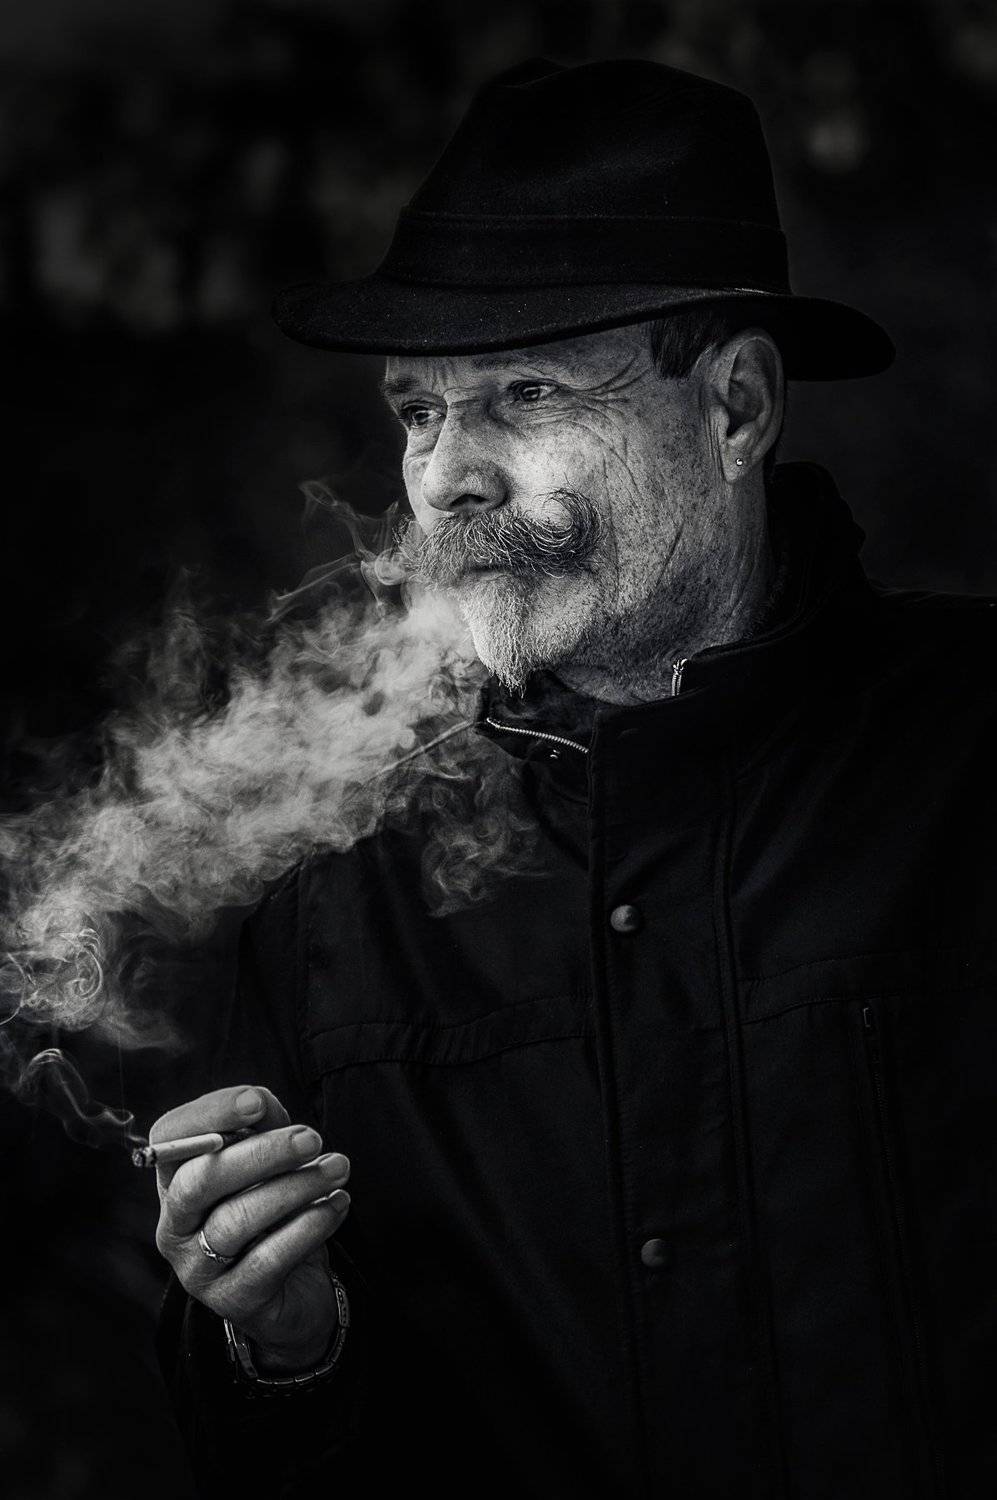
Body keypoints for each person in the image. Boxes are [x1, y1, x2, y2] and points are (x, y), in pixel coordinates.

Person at [153, 59, 995, 1498]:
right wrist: (281, 1345)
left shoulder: (972, 753)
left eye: (527, 392)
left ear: (735, 406)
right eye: (419, 411)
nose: (447, 479)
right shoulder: (338, 883)